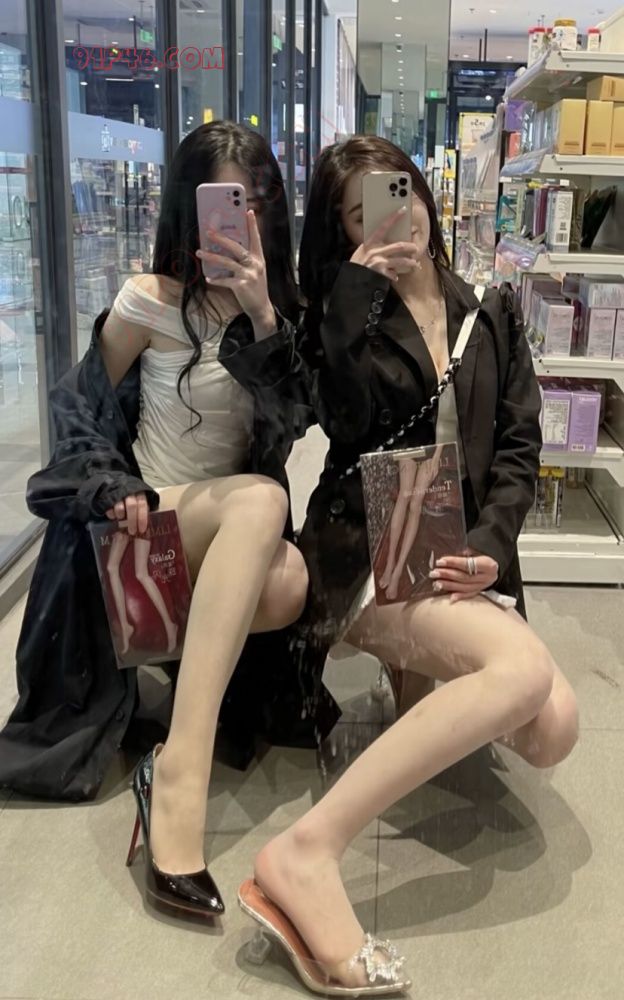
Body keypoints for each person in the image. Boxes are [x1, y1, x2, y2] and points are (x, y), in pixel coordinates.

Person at [229, 136, 579, 994]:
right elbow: (343, 424)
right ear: (343, 233)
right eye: (360, 214)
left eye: (397, 193)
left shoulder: (489, 307)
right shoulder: (343, 311)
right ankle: (307, 852)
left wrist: (490, 548)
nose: (393, 218)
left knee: (554, 729)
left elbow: (519, 447)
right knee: (522, 672)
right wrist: (353, 298)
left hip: (455, 550)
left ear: (420, 190)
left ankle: (421, 677)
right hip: (366, 543)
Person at [0, 123, 340, 911]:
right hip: (143, 530)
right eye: (226, 200)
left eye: (256, 201)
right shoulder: (148, 300)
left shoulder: (280, 312)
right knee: (264, 499)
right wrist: (111, 483)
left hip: (227, 546)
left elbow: (295, 419)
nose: (243, 219)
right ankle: (182, 768)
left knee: (289, 581)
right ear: (191, 208)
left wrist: (261, 314)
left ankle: (171, 693)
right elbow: (78, 408)